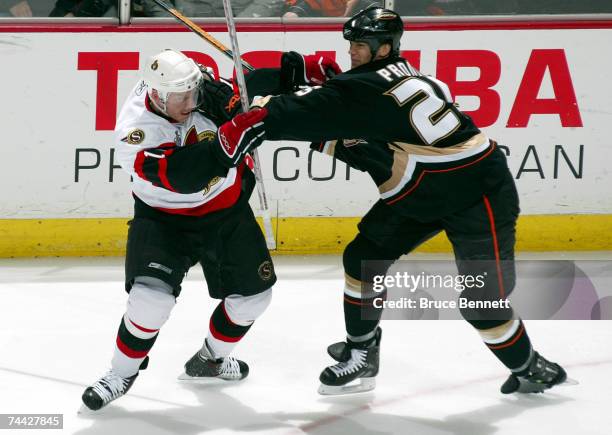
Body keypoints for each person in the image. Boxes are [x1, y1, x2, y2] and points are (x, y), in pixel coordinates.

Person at [225, 7, 568, 396]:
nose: (353, 51)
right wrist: (312, 91)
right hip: (425, 190)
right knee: (362, 258)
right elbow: (346, 117)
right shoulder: (412, 76)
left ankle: (529, 367)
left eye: (361, 45)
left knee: (482, 304)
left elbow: (298, 117)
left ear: (385, 46)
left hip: (479, 192)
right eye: (351, 44)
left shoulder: (365, 90)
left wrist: (258, 103)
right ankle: (361, 353)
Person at [80, 49, 282, 411]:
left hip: (226, 213)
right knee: (149, 302)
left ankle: (212, 358)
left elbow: (248, 97)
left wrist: (244, 99)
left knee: (255, 299)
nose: (191, 103)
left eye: (194, 94)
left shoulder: (193, 89)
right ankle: (121, 373)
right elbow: (186, 177)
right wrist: (232, 136)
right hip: (164, 219)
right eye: (181, 98)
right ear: (157, 96)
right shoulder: (136, 133)